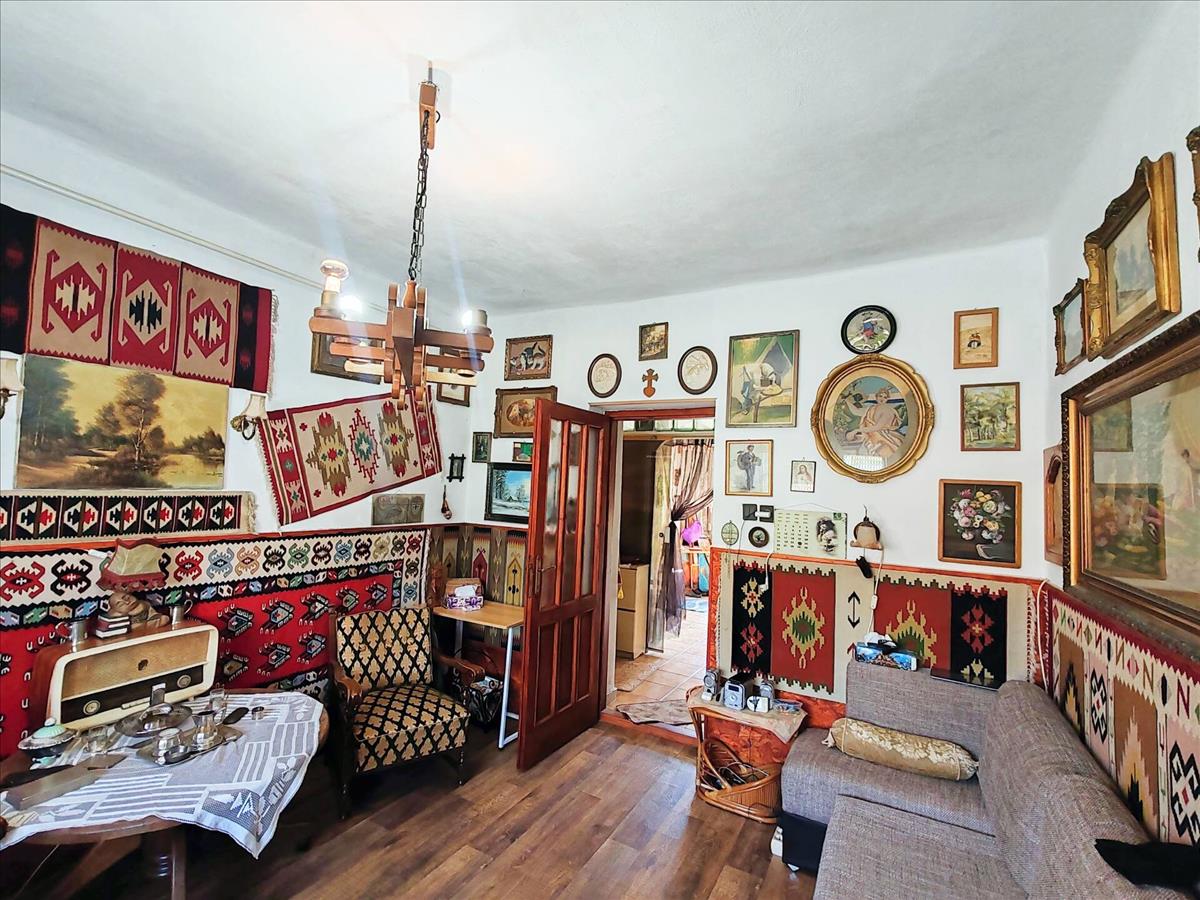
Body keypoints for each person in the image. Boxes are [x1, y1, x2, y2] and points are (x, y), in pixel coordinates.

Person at [844, 387, 905, 462]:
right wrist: (846, 400)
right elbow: (857, 411)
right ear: (876, 397)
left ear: (887, 399)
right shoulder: (871, 408)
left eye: (885, 397)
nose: (882, 398)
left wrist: (857, 430)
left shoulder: (887, 410)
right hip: (871, 436)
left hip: (884, 438)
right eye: (880, 396)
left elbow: (877, 427)